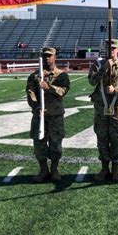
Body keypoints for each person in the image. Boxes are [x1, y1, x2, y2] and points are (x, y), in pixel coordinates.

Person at [88, 39, 118, 182]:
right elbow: (91, 81)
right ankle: (104, 168)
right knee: (102, 139)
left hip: (117, 110)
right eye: (109, 49)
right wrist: (103, 69)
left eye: (114, 49)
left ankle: (115, 169)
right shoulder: (97, 64)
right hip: (101, 110)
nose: (112, 51)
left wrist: (117, 90)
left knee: (116, 140)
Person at [26, 47, 70, 183]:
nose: (47, 58)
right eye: (45, 56)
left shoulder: (61, 75)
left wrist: (48, 87)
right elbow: (30, 93)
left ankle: (55, 169)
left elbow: (63, 91)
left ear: (55, 57)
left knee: (56, 143)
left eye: (50, 56)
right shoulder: (35, 76)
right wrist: (36, 106)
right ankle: (43, 170)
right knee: (39, 143)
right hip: (40, 115)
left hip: (55, 115)